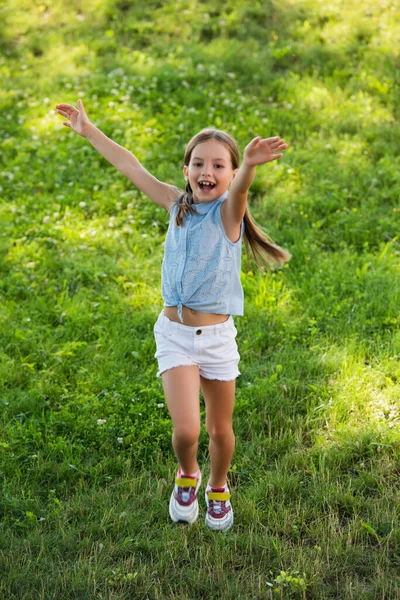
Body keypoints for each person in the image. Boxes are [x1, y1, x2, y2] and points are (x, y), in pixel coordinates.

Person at [55, 99, 291, 532]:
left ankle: (218, 488)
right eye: (198, 163)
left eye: (219, 166)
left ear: (231, 173)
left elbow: (238, 191)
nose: (208, 172)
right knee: (187, 433)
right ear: (185, 170)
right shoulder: (174, 204)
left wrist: (250, 168)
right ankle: (188, 475)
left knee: (221, 432)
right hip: (176, 335)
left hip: (217, 340)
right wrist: (89, 130)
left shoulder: (228, 214)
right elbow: (131, 167)